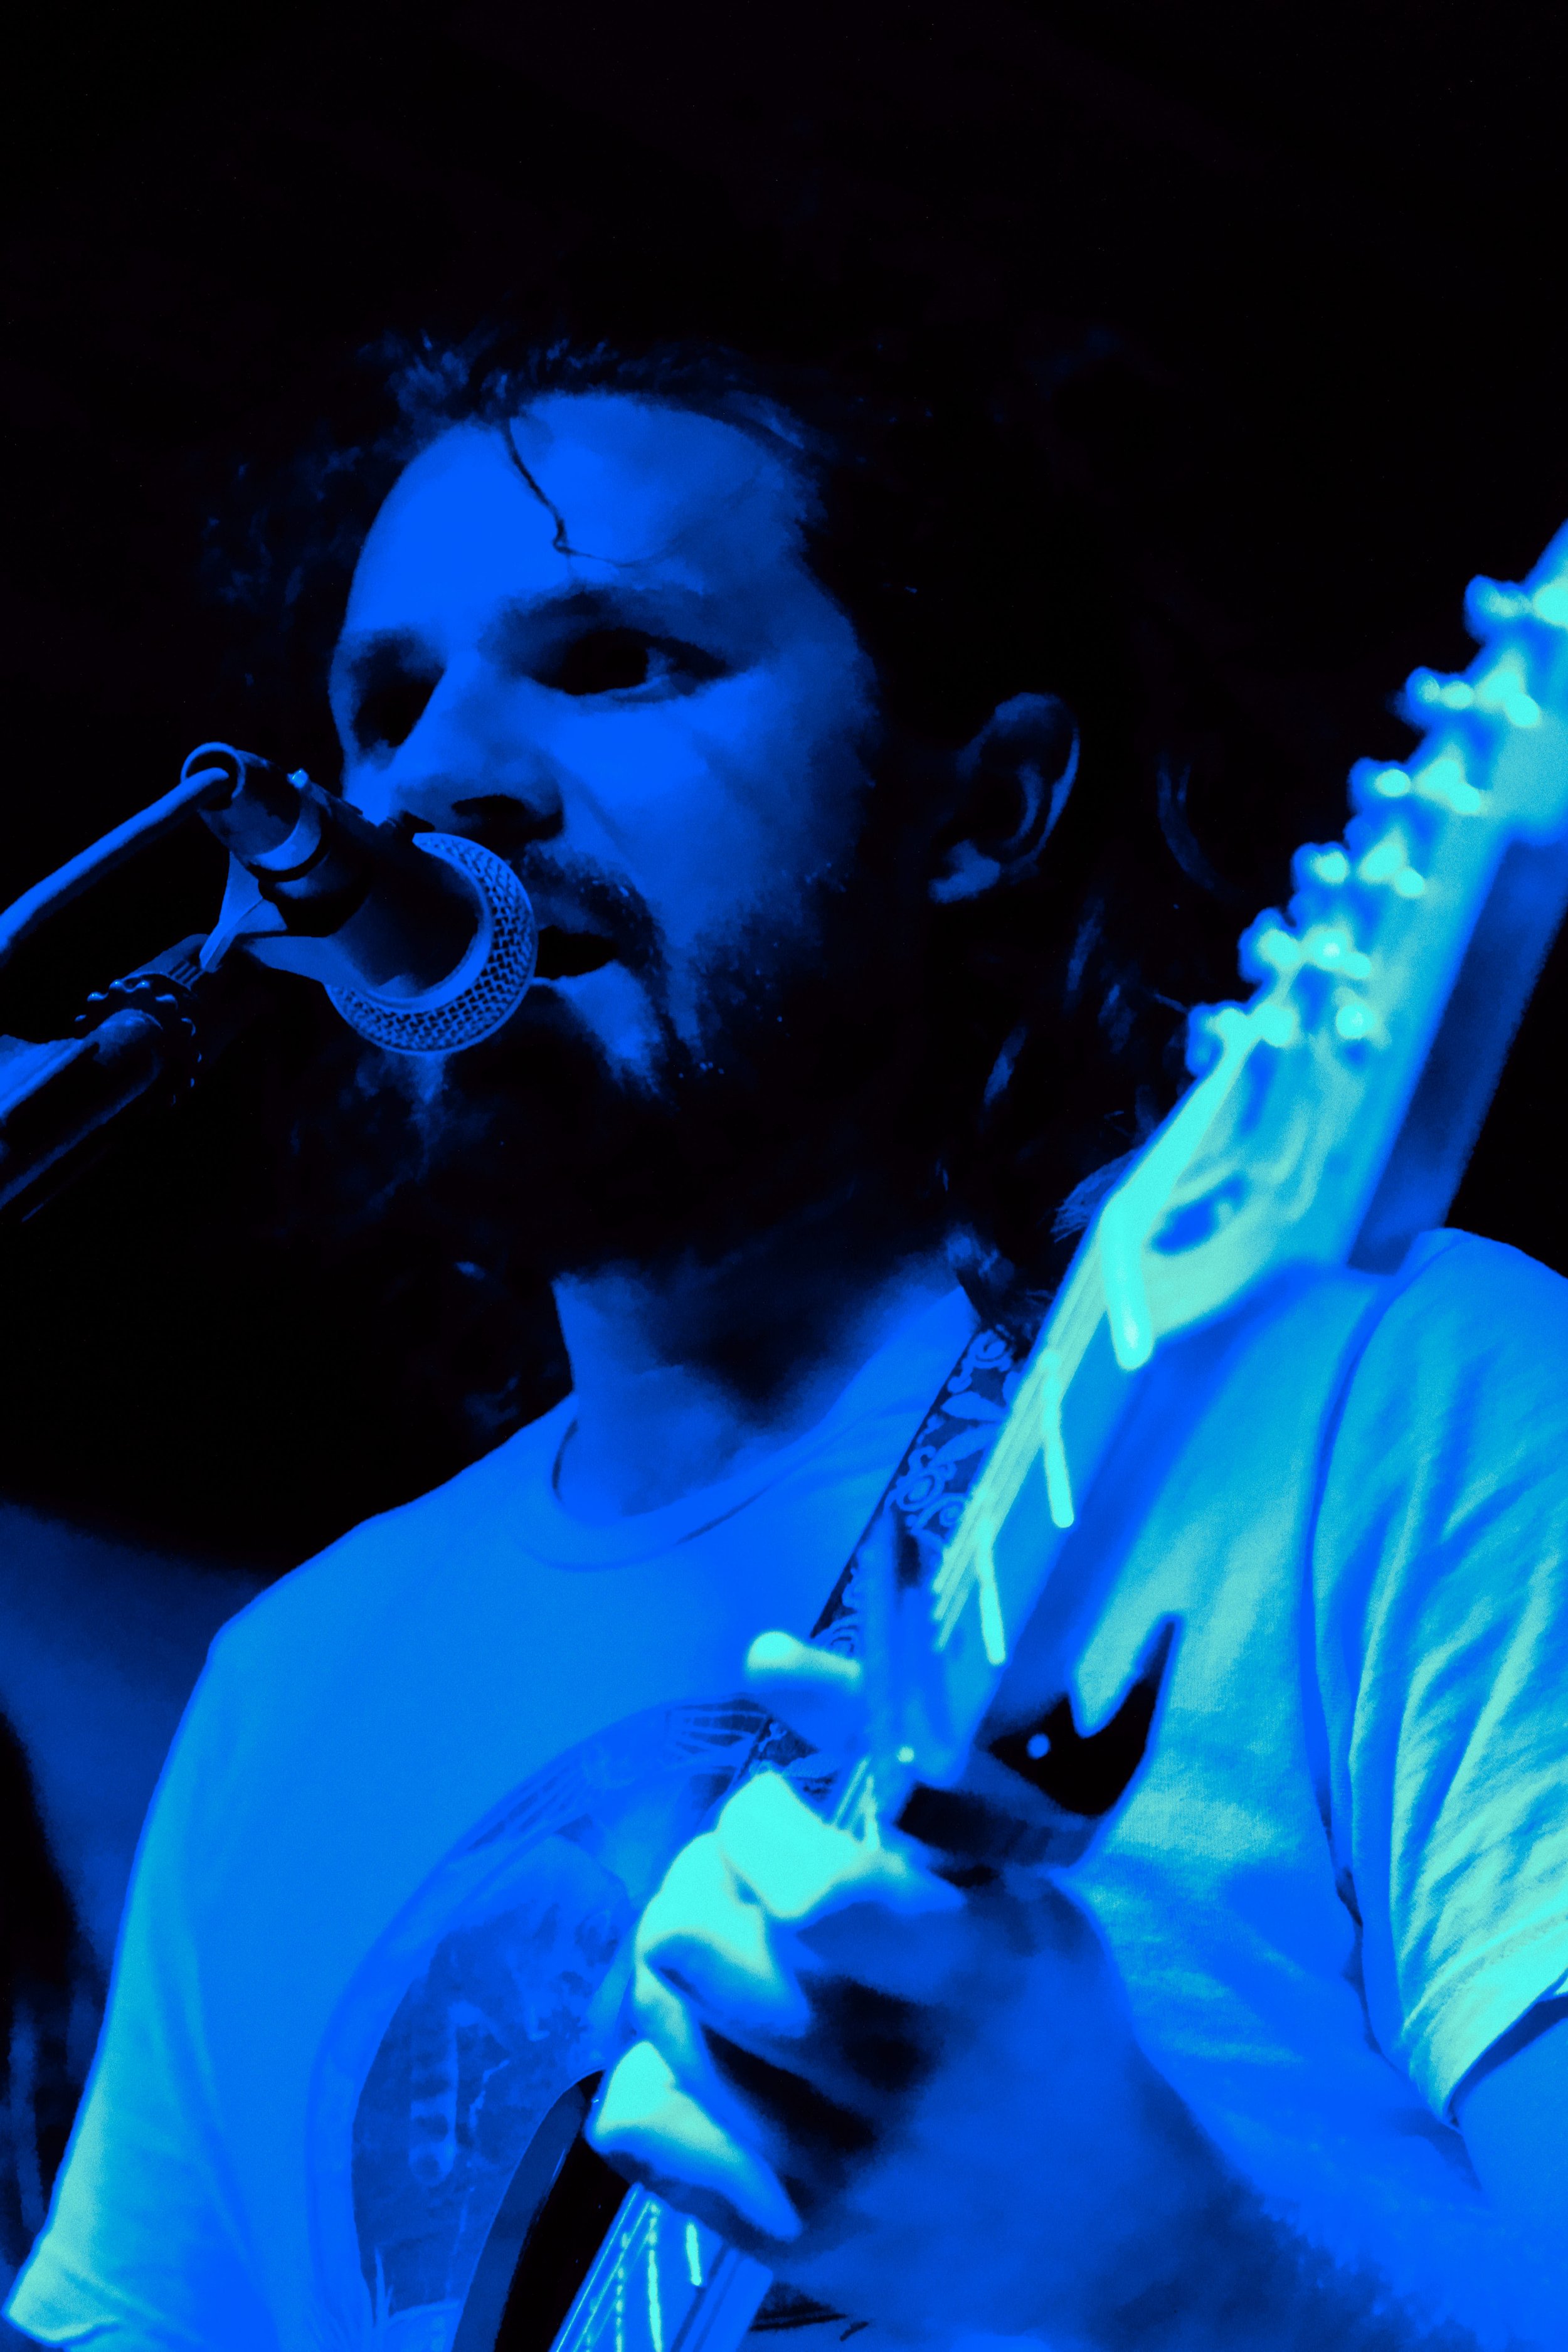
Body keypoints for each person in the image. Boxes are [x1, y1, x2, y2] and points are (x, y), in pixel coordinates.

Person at [6, 332, 1568, 2352]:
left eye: (613, 660)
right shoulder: (290, 1686)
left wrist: (1182, 2279)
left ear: (983, 808)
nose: (438, 779)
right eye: (383, 706)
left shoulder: (1373, 1395)